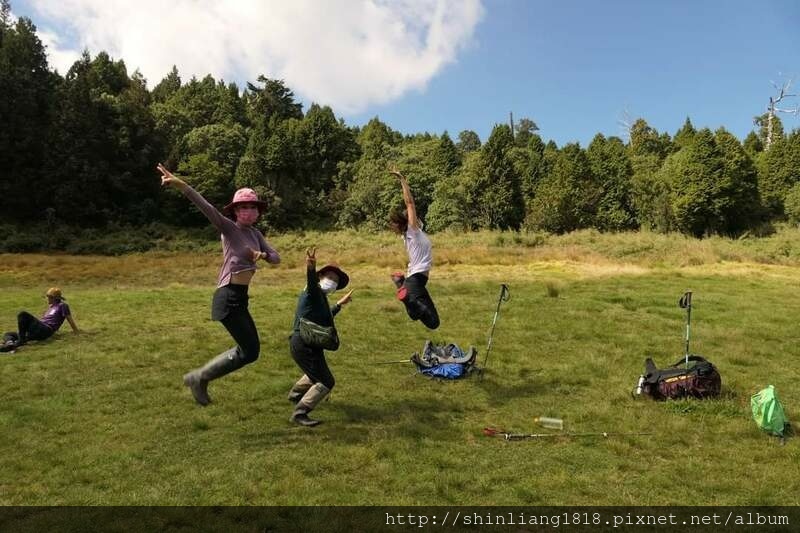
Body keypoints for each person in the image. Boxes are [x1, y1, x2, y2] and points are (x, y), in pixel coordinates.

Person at [157, 163, 280, 406]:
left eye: (252, 207)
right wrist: (182, 185)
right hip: (227, 296)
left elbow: (277, 258)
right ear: (235, 210)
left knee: (251, 351)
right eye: (243, 207)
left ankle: (199, 377)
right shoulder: (228, 228)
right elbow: (206, 207)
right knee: (249, 350)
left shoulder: (256, 234)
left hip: (240, 297)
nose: (249, 211)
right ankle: (199, 377)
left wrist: (262, 255)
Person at [288, 247, 353, 426]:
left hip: (311, 343)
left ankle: (294, 395)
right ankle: (300, 413)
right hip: (303, 342)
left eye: (336, 280)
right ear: (320, 277)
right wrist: (310, 267)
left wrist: (340, 304)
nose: (332, 282)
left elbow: (325, 317)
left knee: (314, 373)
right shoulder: (312, 291)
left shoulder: (321, 298)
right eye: (330, 277)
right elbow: (311, 283)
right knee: (326, 381)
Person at [387, 167, 440, 330]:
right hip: (416, 280)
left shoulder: (413, 235)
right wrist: (402, 180)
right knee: (432, 322)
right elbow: (409, 203)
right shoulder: (413, 232)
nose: (415, 218)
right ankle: (403, 291)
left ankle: (401, 285)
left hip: (416, 280)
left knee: (416, 314)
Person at [1, 288, 79, 353]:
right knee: (8, 334)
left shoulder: (62, 305)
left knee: (22, 314)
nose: (47, 298)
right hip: (39, 329)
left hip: (46, 329)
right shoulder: (51, 307)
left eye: (49, 297)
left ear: (55, 298)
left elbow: (69, 318)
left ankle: (21, 340)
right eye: (47, 296)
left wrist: (76, 331)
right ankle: (10, 345)